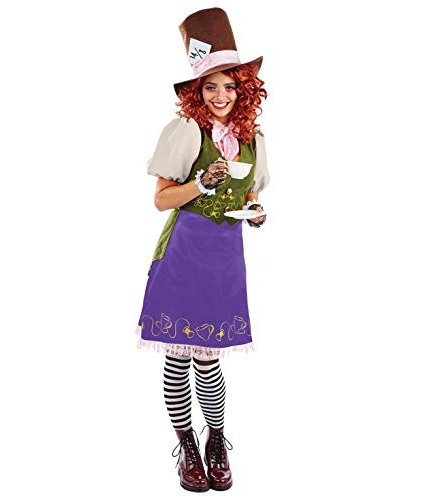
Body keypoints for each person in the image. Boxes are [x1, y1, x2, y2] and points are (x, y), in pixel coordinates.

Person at [134, 8, 270, 492]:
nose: (220, 95)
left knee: (210, 360)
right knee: (179, 358)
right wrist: (200, 183)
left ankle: (216, 440)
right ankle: (187, 444)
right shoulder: (186, 132)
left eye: (229, 85)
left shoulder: (252, 139)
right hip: (183, 254)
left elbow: (249, 192)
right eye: (210, 86)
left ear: (242, 90)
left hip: (226, 258)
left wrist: (255, 211)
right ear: (197, 90)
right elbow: (161, 200)